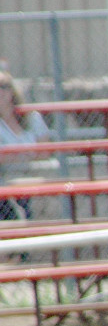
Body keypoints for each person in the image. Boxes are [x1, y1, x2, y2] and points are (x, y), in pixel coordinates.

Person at [0, 70, 53, 221]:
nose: (0, 92)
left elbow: (45, 151)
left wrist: (15, 155)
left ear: (12, 90)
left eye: (4, 86)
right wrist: (27, 153)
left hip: (35, 174)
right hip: (6, 178)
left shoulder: (31, 117)